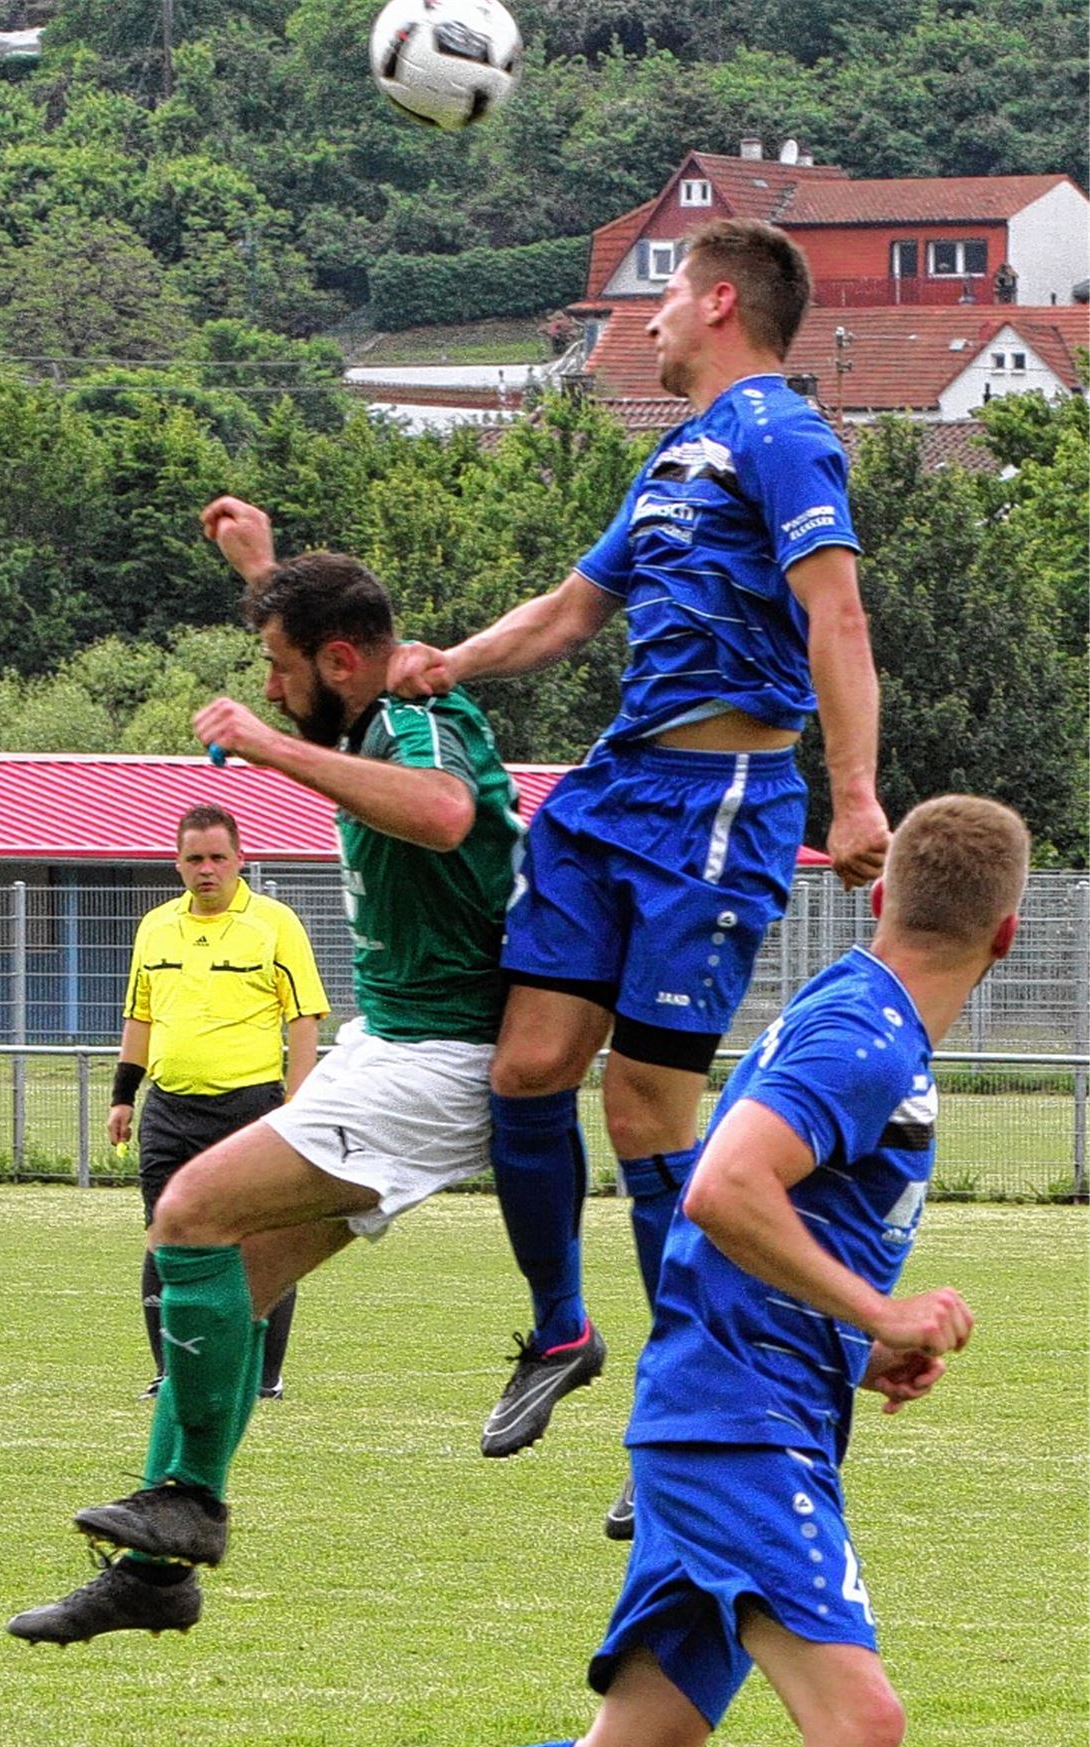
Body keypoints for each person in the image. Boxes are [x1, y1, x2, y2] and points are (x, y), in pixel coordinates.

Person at [389, 219, 890, 1538]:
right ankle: (562, 1332)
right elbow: (565, 614)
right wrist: (448, 661)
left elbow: (836, 614)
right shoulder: (673, 458)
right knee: (528, 1066)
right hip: (613, 798)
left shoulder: (782, 435)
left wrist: (851, 793)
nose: (650, 315)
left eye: (667, 292)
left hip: (720, 808)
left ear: (721, 302)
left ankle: (691, 1409)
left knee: (650, 1111)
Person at [434, 792, 1030, 1747]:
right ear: (1006, 935)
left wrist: (857, 1336)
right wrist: (881, 1308)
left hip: (725, 1411)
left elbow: (764, 1214)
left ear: (880, 894)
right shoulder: (865, 1037)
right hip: (740, 1425)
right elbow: (723, 1189)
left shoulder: (858, 1014)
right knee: (859, 1720)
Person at [7, 498, 522, 1647]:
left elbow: (443, 814)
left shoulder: (416, 726)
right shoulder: (371, 699)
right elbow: (339, 647)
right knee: (232, 1284)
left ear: (341, 664)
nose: (275, 688)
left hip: (436, 1061)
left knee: (186, 1215)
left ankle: (184, 1507)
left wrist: (269, 746)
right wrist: (263, 569)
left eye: (283, 669)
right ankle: (153, 1573)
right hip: (396, 1048)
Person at [111, 803, 328, 1402]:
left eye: (217, 858)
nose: (206, 869)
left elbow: (304, 1016)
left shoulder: (275, 923)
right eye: (194, 859)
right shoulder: (155, 927)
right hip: (168, 1109)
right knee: (166, 1236)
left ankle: (263, 1375)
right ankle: (171, 1371)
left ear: (239, 859)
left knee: (258, 1239)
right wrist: (122, 1097)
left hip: (250, 1109)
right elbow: (141, 1016)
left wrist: (296, 1102)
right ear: (177, 864)